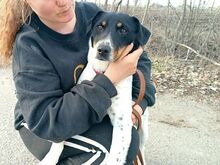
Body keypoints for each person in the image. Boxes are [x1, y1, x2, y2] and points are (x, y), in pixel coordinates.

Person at [0, 0, 156, 164]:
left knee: (129, 142)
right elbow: (50, 122)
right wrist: (110, 79)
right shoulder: (29, 45)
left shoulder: (89, 13)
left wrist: (140, 102)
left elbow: (140, 58)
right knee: (101, 154)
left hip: (87, 108)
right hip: (44, 123)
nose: (63, 2)